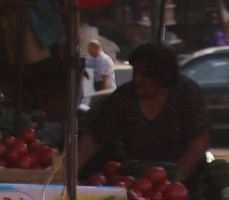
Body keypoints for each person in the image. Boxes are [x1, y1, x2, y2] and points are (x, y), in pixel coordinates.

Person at [77, 40, 210, 187]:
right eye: (135, 71)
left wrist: (169, 183)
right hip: (138, 185)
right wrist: (67, 174)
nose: (137, 79)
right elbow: (93, 140)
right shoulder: (124, 97)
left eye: (145, 74)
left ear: (163, 76)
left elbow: (199, 145)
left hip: (183, 185)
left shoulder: (187, 94)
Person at [80, 32, 116, 106]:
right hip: (100, 90)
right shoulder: (97, 60)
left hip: (105, 91)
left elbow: (106, 79)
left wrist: (102, 95)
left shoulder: (103, 60)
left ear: (95, 49)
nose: (89, 53)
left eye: (90, 50)